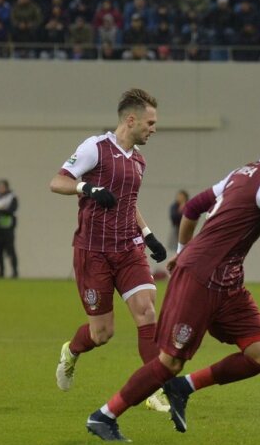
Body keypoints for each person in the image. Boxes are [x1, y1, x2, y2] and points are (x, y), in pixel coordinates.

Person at [84, 118, 260, 441]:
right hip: (201, 278)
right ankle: (104, 416)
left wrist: (182, 249)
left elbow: (193, 207)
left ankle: (184, 388)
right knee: (169, 361)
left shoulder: (243, 172)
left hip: (228, 283)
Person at [49, 88, 170, 413]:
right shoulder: (95, 148)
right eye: (150, 122)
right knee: (102, 333)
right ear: (131, 120)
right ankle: (71, 352)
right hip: (94, 252)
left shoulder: (139, 161)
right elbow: (57, 181)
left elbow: (129, 204)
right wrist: (86, 187)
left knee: (146, 311)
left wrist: (148, 235)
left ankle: (153, 389)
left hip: (128, 250)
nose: (153, 129)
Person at [0, 179, 18, 278]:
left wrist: (1, 211)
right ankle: (1, 271)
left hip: (9, 229)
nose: (1, 189)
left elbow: (11, 210)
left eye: (2, 187)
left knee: (10, 251)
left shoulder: (12, 197)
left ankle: (15, 271)